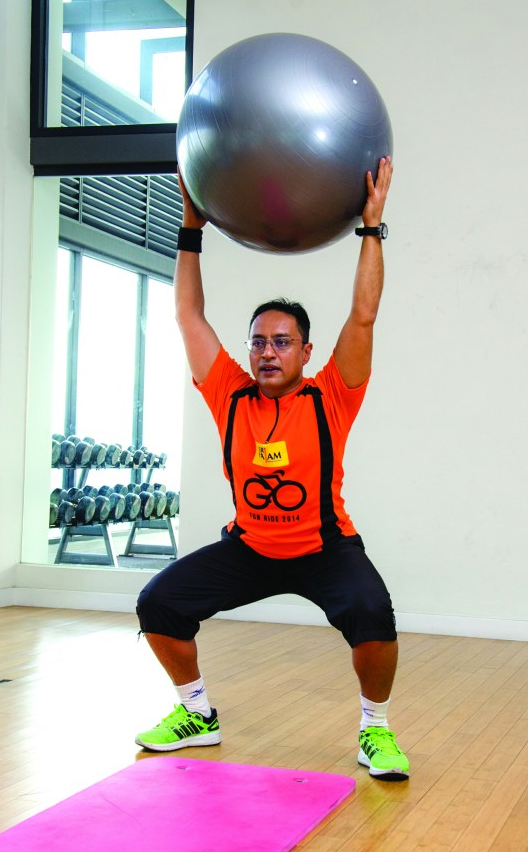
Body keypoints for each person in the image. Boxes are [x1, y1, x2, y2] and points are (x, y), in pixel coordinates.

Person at [135, 157, 409, 780]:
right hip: (251, 548)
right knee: (159, 604)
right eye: (258, 341)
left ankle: (375, 728)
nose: (267, 352)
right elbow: (188, 317)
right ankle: (196, 715)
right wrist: (190, 229)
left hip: (324, 548)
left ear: (306, 352)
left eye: (281, 342)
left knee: (373, 615)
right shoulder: (229, 394)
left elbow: (363, 316)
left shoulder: (331, 395)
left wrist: (372, 228)